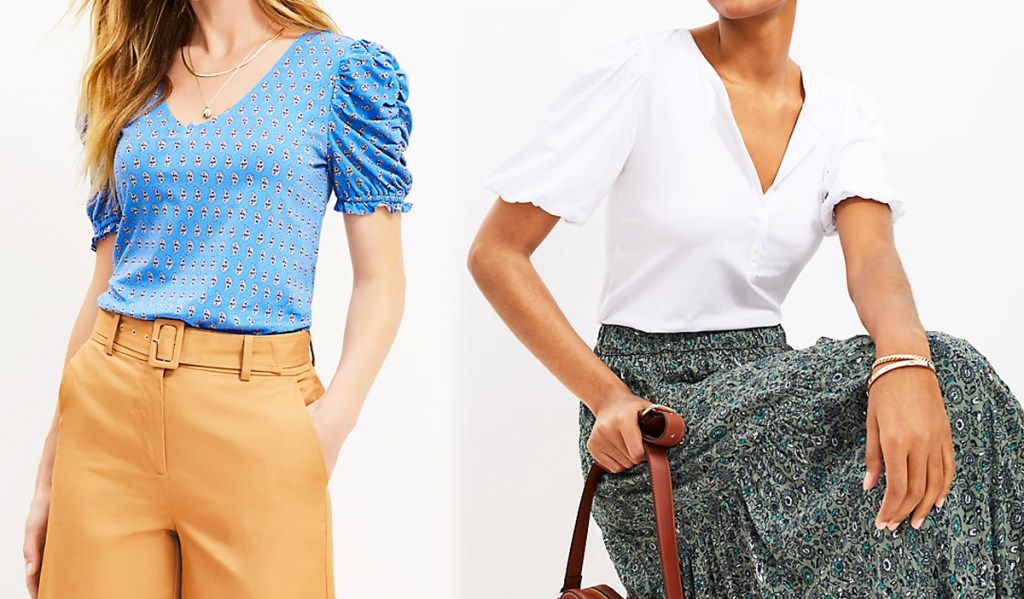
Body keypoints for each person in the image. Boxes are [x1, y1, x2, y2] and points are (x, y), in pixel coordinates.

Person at [468, 1, 1023, 597]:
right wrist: (607, 397)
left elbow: (872, 257)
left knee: (951, 400)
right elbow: (496, 253)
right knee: (956, 373)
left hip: (768, 396)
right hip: (650, 417)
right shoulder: (642, 70)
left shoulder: (842, 114)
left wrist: (904, 360)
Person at [22, 1, 412, 597]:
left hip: (256, 418)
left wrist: (333, 422)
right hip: (107, 414)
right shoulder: (130, 78)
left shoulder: (340, 73)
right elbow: (104, 281)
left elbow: (381, 278)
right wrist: (50, 467)